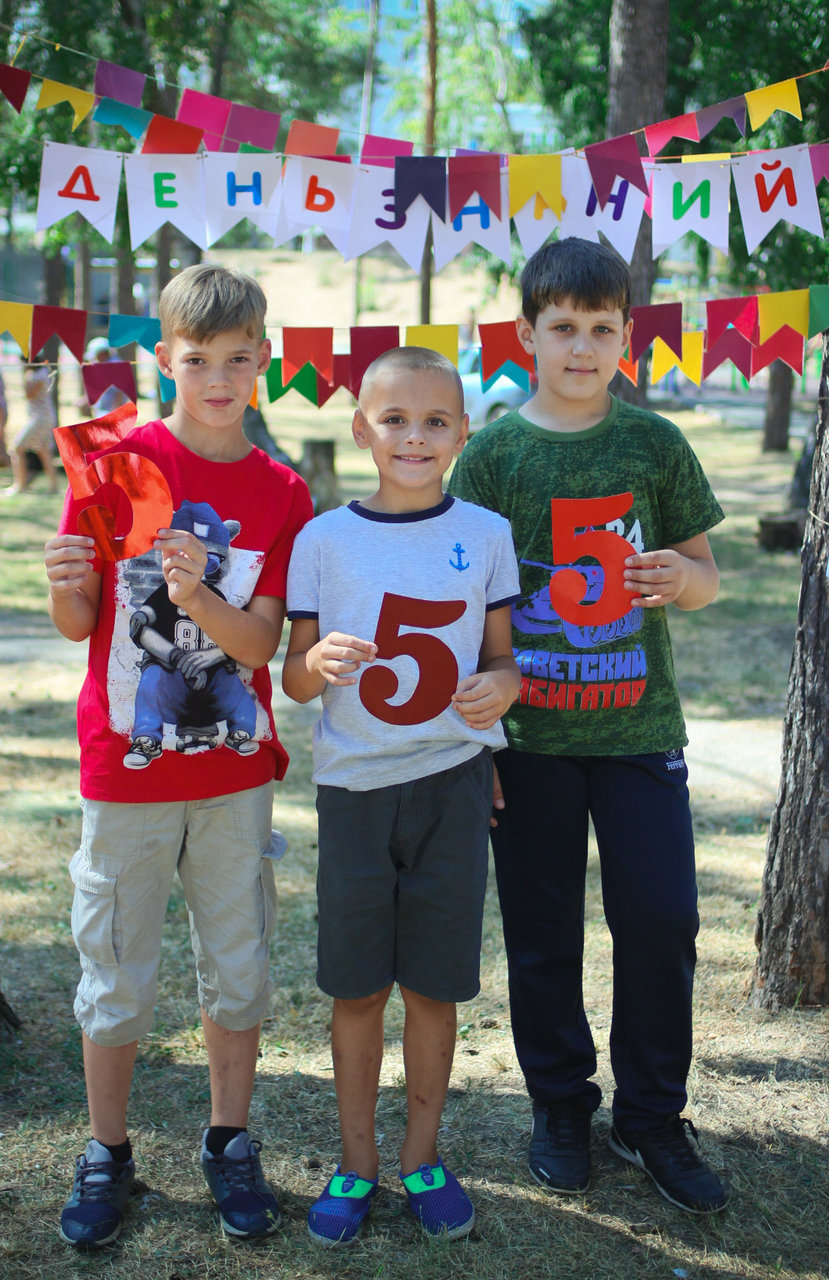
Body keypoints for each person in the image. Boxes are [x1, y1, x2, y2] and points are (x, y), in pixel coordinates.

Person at [447, 237, 729, 1215]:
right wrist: (478, 744)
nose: (580, 347)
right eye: (561, 327)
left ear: (625, 337)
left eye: (600, 329)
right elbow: (465, 609)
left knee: (661, 919)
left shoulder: (654, 443)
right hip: (529, 742)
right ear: (525, 334)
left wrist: (679, 577)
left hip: (639, 732)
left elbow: (704, 575)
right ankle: (560, 1103)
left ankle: (650, 1116)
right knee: (541, 931)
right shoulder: (493, 453)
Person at [43, 263, 313, 1249]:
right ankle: (106, 1149)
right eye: (197, 359)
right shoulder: (115, 463)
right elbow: (79, 620)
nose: (218, 378)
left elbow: (260, 645)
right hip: (126, 772)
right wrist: (62, 578)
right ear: (164, 358)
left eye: (238, 359)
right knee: (116, 967)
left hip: (233, 777)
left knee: (237, 967)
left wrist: (197, 595)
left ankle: (229, 1139)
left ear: (263, 361)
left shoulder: (282, 491)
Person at [282, 346, 521, 1246]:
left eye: (433, 422)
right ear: (361, 430)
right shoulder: (321, 539)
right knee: (355, 990)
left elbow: (501, 660)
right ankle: (357, 1162)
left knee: (432, 987)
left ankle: (423, 1155)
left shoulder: (487, 534)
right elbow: (294, 679)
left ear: (461, 434)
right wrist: (315, 661)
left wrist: (505, 687)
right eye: (394, 420)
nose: (413, 437)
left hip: (452, 788)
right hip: (353, 793)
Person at [3, 354, 59, 496]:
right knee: (44, 451)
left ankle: (19, 485)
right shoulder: (41, 373)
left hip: (40, 419)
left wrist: (24, 376)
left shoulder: (38, 375)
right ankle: (54, 487)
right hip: (43, 418)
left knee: (16, 448)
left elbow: (29, 394)